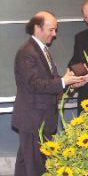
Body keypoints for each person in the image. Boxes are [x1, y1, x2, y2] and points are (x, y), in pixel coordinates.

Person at [12, 11, 83, 176]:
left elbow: (49, 82)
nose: (55, 34)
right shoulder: (27, 52)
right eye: (51, 29)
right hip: (33, 120)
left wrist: (69, 83)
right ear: (37, 28)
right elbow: (34, 84)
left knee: (25, 165)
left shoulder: (41, 49)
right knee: (37, 168)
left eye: (56, 29)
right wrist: (64, 81)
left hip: (40, 119)